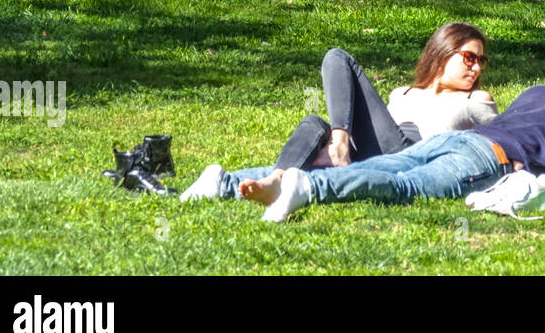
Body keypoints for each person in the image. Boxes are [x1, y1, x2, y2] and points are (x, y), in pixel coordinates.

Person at [202, 60, 545, 222]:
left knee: (377, 170)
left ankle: (223, 183)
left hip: (458, 144)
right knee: (400, 189)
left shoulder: (538, 91)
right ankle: (305, 189)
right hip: (487, 162)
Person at [181, 23, 498, 204]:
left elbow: (497, 147)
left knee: (340, 58)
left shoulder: (477, 98)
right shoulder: (401, 93)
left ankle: (338, 147)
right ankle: (263, 180)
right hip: (370, 156)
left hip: (410, 156)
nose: (475, 67)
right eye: (469, 57)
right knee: (315, 120)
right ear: (442, 53)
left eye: (480, 62)